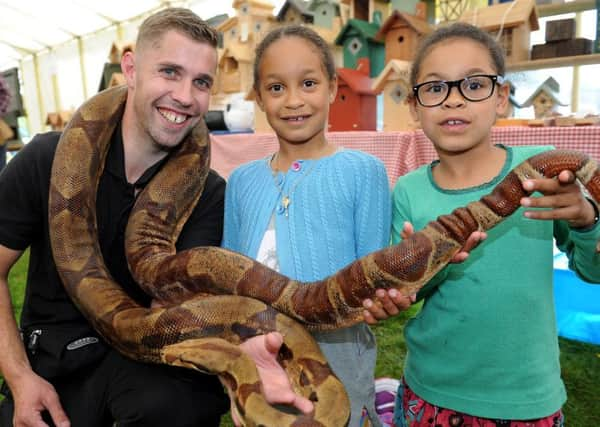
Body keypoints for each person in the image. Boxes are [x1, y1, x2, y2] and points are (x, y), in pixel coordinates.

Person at [0, 8, 311, 427]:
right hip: (57, 361)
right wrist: (20, 380)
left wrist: (237, 355)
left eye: (201, 82)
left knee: (182, 407)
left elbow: (177, 308)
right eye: (169, 72)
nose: (185, 96)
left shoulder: (209, 193)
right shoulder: (47, 159)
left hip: (151, 360)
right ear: (130, 68)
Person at [370, 22, 600, 426]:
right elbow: (407, 298)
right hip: (430, 392)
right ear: (414, 106)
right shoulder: (408, 190)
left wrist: (587, 221)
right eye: (436, 88)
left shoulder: (542, 172)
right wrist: (422, 270)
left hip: (528, 399)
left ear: (501, 98)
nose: (454, 101)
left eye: (473, 85)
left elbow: (592, 270)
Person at [222, 25, 391, 426]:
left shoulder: (364, 172)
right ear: (259, 98)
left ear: (333, 88)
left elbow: (370, 278)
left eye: (309, 83)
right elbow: (227, 272)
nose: (294, 101)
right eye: (277, 88)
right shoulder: (241, 181)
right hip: (257, 355)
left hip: (339, 358)